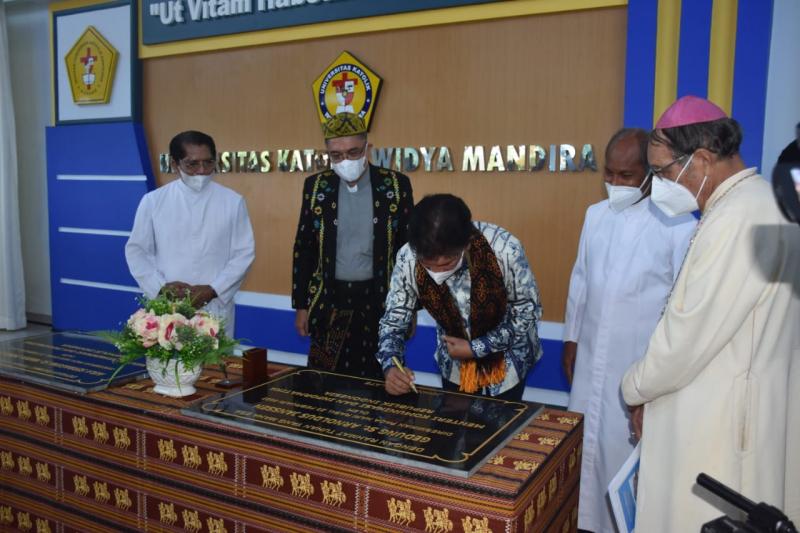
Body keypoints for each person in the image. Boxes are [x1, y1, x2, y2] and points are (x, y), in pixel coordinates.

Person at [621, 95, 800, 531]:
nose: (659, 184)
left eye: (663, 172)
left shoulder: (738, 217)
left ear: (700, 159)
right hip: (743, 401)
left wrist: (634, 387)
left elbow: (687, 337)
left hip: (720, 423)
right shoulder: (762, 202)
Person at [562, 128, 695, 533]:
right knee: (583, 447)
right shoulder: (595, 215)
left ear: (650, 174)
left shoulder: (678, 225)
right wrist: (571, 338)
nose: (615, 182)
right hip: (589, 360)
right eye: (609, 173)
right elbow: (581, 279)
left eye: (626, 175)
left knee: (622, 454)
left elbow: (680, 306)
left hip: (635, 365)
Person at [377, 194, 542, 400]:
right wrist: (390, 365)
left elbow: (528, 312)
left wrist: (477, 348)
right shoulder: (408, 258)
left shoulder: (505, 250)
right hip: (454, 364)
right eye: (428, 266)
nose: (436, 274)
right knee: (454, 418)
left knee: (504, 420)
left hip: (508, 363)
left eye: (446, 265)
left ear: (466, 245)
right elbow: (394, 320)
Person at [292, 113, 413, 378]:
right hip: (330, 301)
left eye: (353, 152)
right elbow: (304, 248)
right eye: (336, 155)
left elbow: (408, 250)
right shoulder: (316, 187)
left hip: (380, 300)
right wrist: (301, 305)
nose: (345, 161)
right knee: (323, 380)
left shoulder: (395, 185)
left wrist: (410, 308)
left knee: (382, 378)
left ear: (367, 148)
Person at [125, 130, 255, 332]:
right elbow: (137, 251)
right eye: (192, 164)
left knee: (216, 353)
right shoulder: (153, 201)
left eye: (208, 163)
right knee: (168, 352)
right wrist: (160, 288)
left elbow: (243, 254)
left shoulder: (233, 201)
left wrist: (213, 290)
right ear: (174, 164)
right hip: (167, 307)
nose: (202, 171)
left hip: (215, 307)